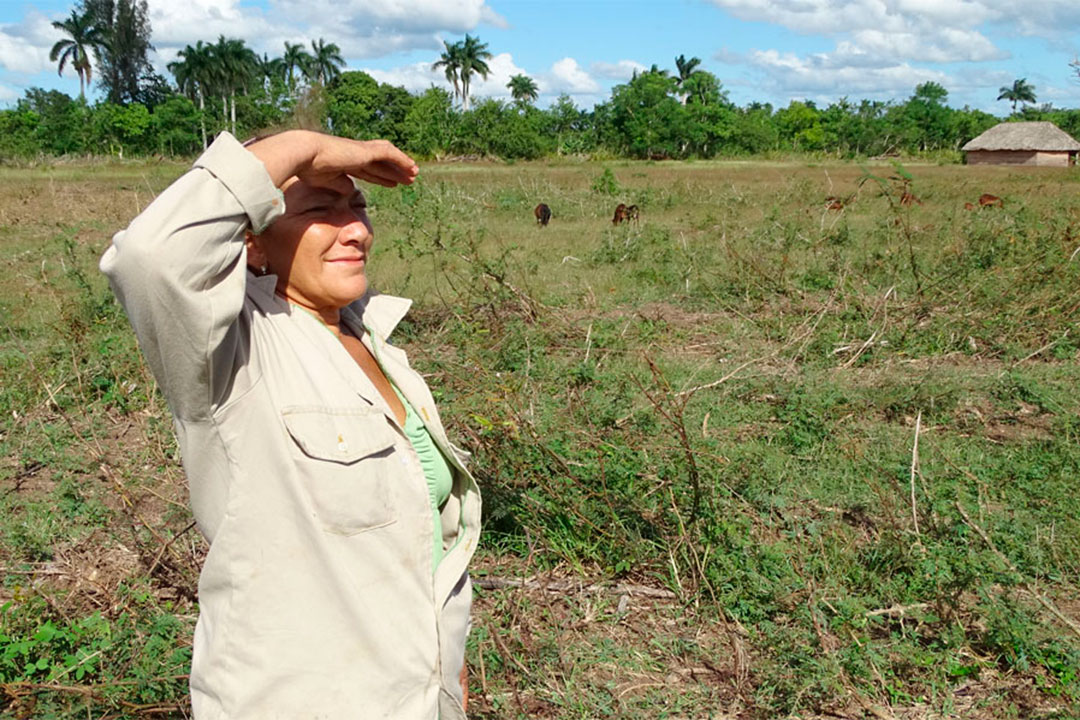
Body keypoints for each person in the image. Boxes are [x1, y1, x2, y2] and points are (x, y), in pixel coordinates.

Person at [100, 129, 481, 719]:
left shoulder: (374, 340)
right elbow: (152, 257)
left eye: (356, 206)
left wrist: (449, 682)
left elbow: (428, 547)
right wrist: (305, 146)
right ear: (252, 243)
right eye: (320, 210)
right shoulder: (229, 354)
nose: (356, 229)